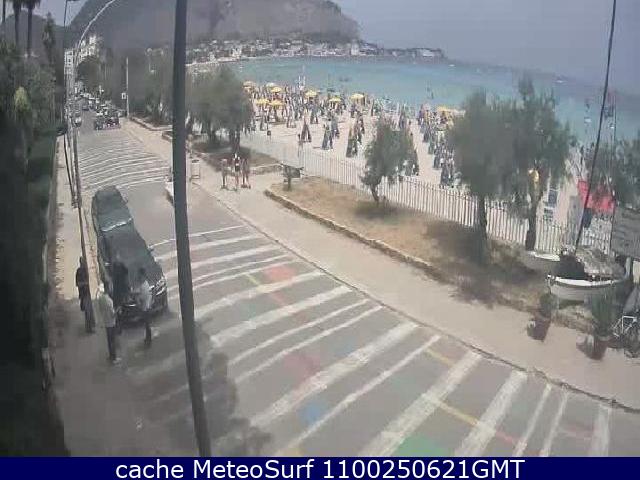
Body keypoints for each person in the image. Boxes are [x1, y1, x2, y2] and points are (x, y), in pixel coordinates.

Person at [96, 282, 119, 364]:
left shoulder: (101, 298)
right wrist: (118, 310)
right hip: (111, 322)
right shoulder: (109, 301)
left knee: (109, 341)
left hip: (105, 321)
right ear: (108, 289)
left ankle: (110, 356)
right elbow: (113, 314)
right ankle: (114, 358)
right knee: (113, 340)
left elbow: (100, 309)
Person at [135, 268, 154, 348]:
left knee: (147, 324)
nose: (139, 277)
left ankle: (148, 339)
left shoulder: (144, 285)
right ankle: (147, 338)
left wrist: (138, 299)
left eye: (139, 275)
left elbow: (143, 296)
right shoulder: (144, 284)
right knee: (146, 324)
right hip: (146, 306)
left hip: (146, 307)